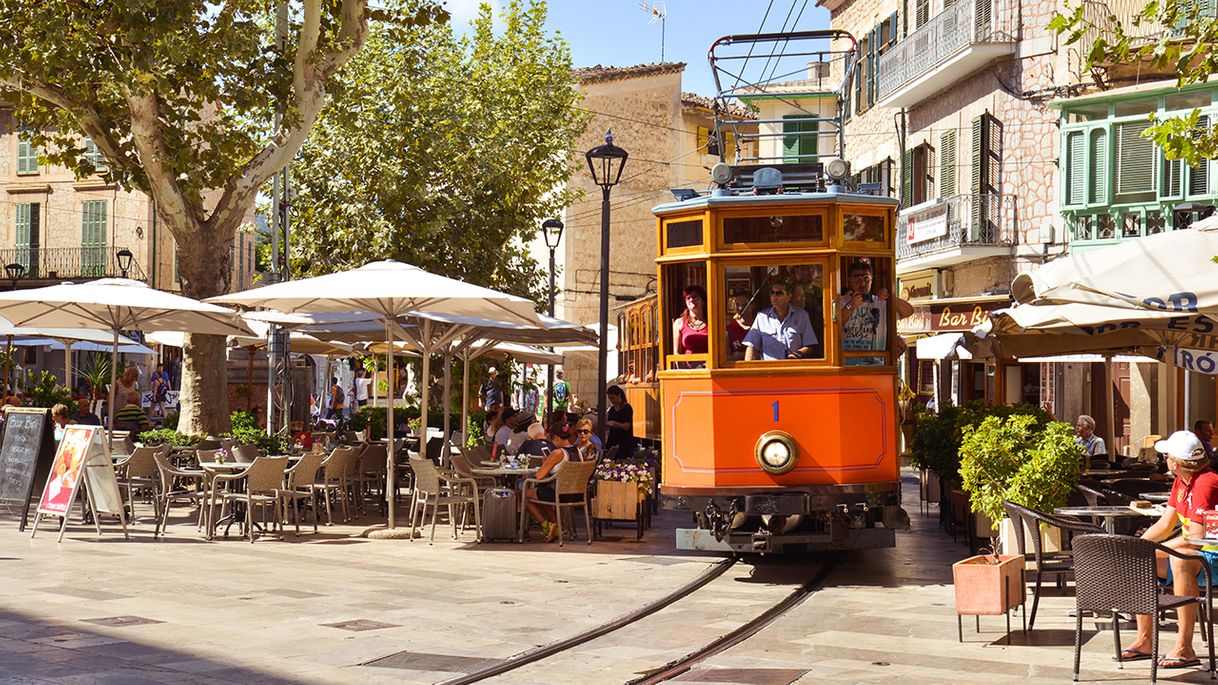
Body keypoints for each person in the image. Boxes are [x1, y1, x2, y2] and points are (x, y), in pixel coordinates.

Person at [1122, 430, 1218, 669]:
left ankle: (1185, 648)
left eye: (1166, 456)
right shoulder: (1181, 481)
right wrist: (1136, 546)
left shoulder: (1207, 483)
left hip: (1212, 553)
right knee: (1140, 559)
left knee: (1180, 560)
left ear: (1175, 462)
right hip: (1198, 551)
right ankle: (1145, 640)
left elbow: (1196, 538)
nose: (1164, 460)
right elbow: (1164, 525)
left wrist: (1156, 548)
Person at [838, 259, 913, 365]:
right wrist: (851, 305)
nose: (862, 283)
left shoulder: (879, 302)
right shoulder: (841, 302)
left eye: (866, 278)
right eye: (857, 278)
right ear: (850, 280)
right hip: (847, 366)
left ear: (871, 280)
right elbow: (834, 327)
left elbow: (909, 311)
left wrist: (891, 296)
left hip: (875, 366)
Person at [524, 423, 580, 543]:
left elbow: (539, 476)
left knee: (524, 494)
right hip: (577, 493)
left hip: (559, 493)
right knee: (542, 491)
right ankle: (556, 527)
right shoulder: (578, 451)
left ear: (556, 437)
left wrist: (546, 463)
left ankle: (546, 525)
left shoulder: (558, 453)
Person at [743, 279, 818, 360]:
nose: (774, 296)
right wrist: (747, 368)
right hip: (770, 369)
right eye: (772, 293)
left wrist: (798, 354)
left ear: (789, 296)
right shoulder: (762, 317)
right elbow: (751, 346)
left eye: (779, 293)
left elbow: (810, 345)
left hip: (793, 367)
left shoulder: (802, 316)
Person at [672, 284, 708, 358]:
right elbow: (677, 353)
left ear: (703, 301)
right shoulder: (679, 323)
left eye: (695, 296)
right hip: (688, 368)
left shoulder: (712, 322)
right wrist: (682, 369)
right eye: (688, 298)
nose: (691, 300)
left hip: (708, 367)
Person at [604, 385, 635, 459]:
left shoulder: (626, 408)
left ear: (619, 395)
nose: (611, 400)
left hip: (624, 441)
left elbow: (627, 426)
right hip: (613, 440)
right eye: (610, 398)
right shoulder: (611, 410)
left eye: (613, 398)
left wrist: (615, 423)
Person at [726, 292, 752, 361]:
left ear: (752, 306)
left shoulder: (759, 327)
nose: (740, 308)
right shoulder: (729, 330)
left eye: (744, 305)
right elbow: (726, 357)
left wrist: (740, 355)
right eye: (737, 305)